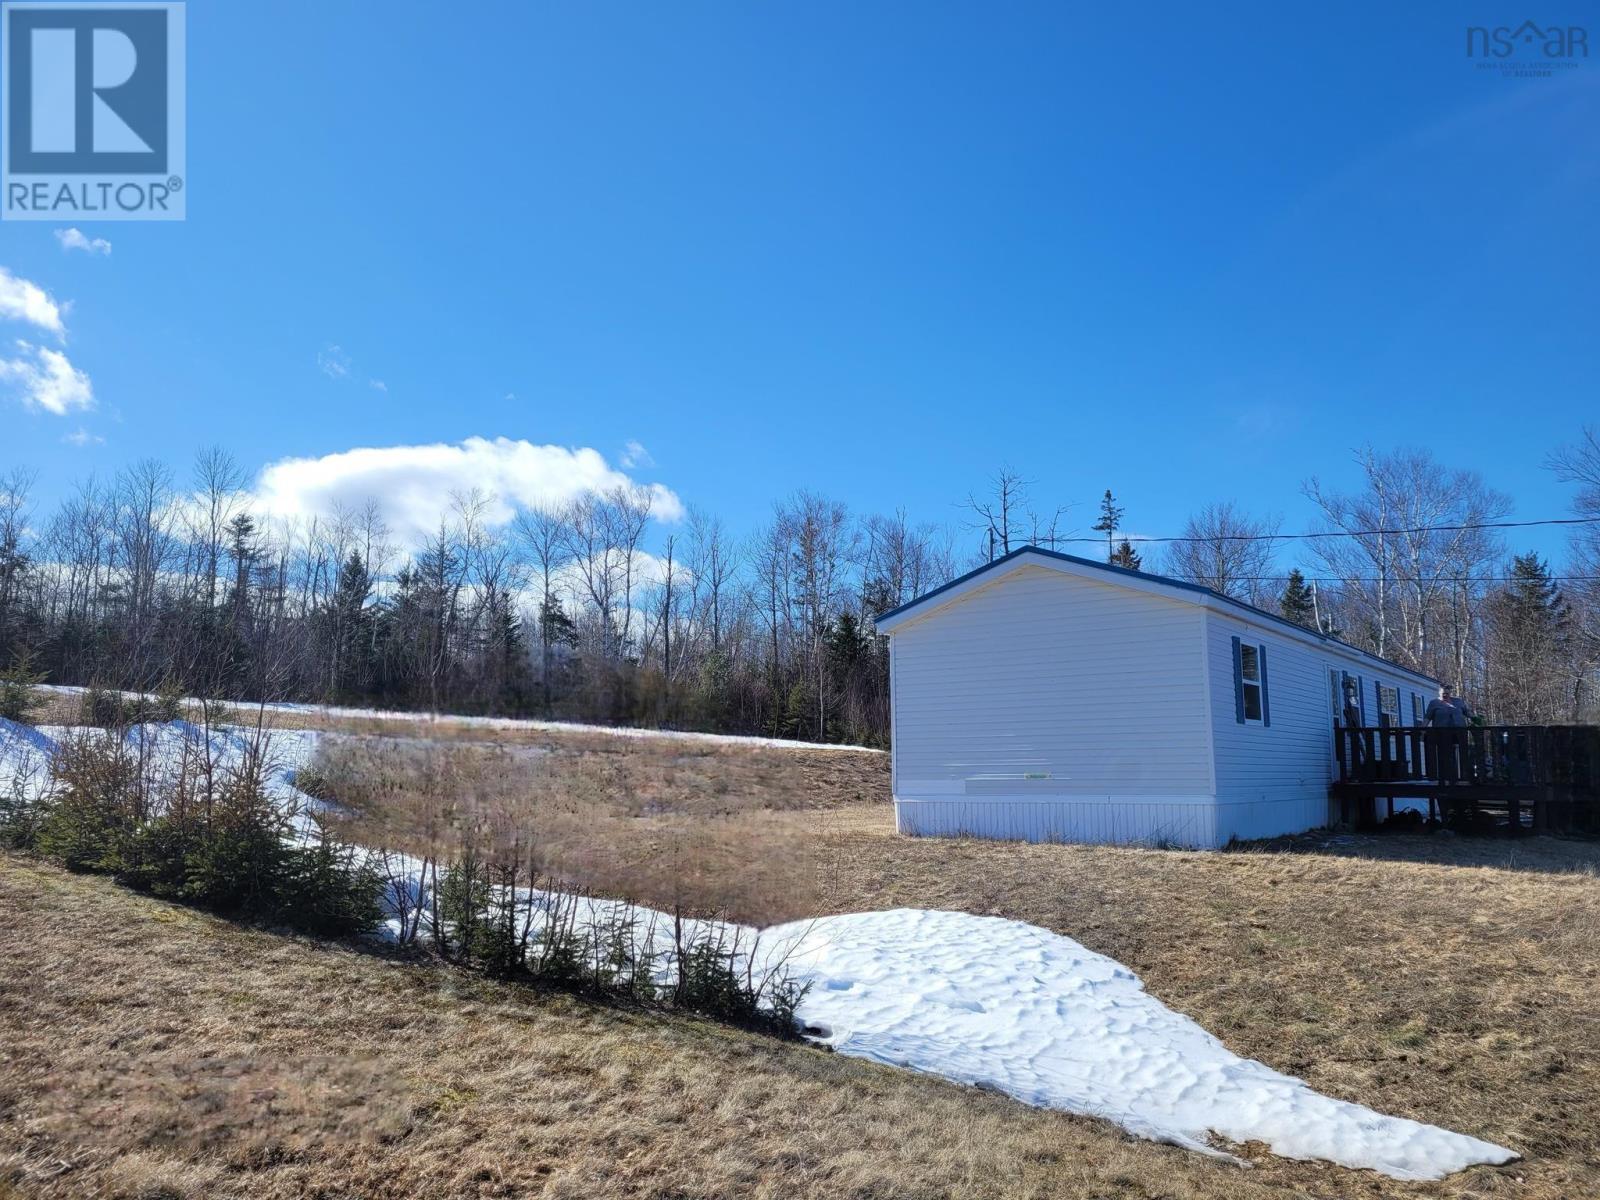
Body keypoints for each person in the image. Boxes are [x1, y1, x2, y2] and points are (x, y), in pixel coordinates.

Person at [1423, 684, 1472, 782]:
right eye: (1442, 693)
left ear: (1450, 693)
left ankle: (1464, 777)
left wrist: (1476, 720)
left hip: (1459, 733)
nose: (1445, 695)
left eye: (1447, 693)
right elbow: (1427, 718)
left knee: (1462, 754)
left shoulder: (1458, 702)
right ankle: (1446, 777)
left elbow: (1468, 714)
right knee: (1445, 755)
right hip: (1442, 734)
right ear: (1439, 692)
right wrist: (1422, 730)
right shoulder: (1434, 703)